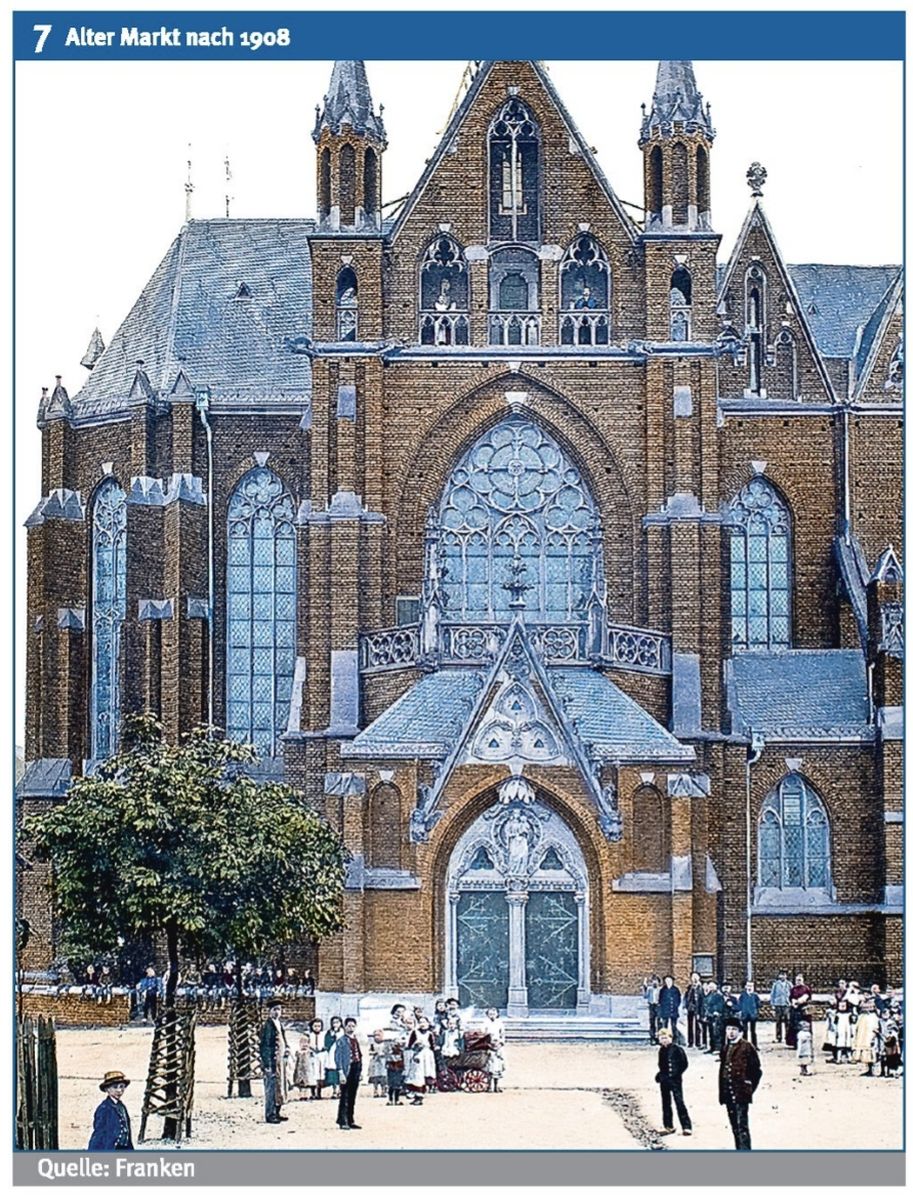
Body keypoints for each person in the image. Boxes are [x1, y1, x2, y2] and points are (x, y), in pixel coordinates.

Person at [719, 1019, 762, 1150]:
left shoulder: (747, 1047)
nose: (730, 1032)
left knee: (742, 1125)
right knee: (734, 1126)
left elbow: (756, 1071)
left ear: (740, 1032)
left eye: (734, 1030)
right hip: (728, 1092)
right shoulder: (726, 1048)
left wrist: (748, 1087)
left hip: (741, 1093)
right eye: (728, 1029)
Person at [655, 1027, 692, 1137]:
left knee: (679, 1102)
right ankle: (668, 1126)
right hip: (665, 1081)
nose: (664, 1040)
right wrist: (660, 1075)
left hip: (675, 1080)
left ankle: (686, 1126)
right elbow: (661, 1065)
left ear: (671, 1038)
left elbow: (684, 1064)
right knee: (666, 1103)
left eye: (666, 1038)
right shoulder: (661, 1051)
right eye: (662, 1038)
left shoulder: (677, 1049)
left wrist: (677, 1073)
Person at [259, 1001, 289, 1123]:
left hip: (280, 1060)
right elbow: (265, 1046)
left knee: (280, 1086)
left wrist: (287, 1048)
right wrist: (267, 1064)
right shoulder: (268, 1026)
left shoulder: (279, 1024)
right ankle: (270, 1114)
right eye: (274, 1009)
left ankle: (277, 1111)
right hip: (272, 1061)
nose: (277, 1012)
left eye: (279, 1010)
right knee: (271, 1088)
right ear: (269, 1011)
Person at [88, 1070, 133, 1150]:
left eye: (122, 1086)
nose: (119, 1090)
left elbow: (127, 1132)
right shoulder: (104, 1108)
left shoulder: (122, 1107)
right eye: (115, 1087)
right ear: (107, 1089)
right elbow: (99, 1133)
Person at [334, 1017, 363, 1130]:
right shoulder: (341, 1041)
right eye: (348, 1026)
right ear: (344, 1027)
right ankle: (343, 1120)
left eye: (353, 1026)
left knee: (352, 1096)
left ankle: (351, 1119)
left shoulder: (355, 1040)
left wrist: (360, 1071)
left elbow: (359, 1056)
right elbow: (338, 1057)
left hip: (355, 1068)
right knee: (345, 1095)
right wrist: (340, 1072)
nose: (351, 1028)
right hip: (346, 1069)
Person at [405, 1015, 436, 1105]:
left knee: (426, 1074)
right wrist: (416, 1047)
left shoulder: (430, 1034)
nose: (422, 1024)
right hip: (417, 1055)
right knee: (417, 1075)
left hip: (427, 1056)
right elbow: (409, 1045)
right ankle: (417, 1095)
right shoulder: (415, 1033)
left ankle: (422, 1092)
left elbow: (433, 1046)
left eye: (424, 1022)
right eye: (420, 1022)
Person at [853, 998, 880, 1077]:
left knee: (871, 1051)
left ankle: (872, 1069)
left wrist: (873, 1036)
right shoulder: (861, 1016)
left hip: (870, 1036)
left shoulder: (873, 1016)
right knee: (864, 1052)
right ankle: (868, 1068)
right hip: (862, 1036)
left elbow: (875, 1027)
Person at [786, 973, 812, 1048]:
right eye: (797, 980)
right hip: (795, 1010)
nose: (798, 981)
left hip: (803, 1010)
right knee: (794, 1026)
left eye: (799, 980)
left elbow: (807, 996)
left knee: (804, 1025)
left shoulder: (806, 988)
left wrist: (800, 1001)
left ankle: (805, 1042)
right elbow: (790, 997)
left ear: (802, 980)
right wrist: (793, 1002)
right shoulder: (793, 989)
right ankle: (794, 1042)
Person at [324, 1015, 344, 1099]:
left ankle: (341, 1090)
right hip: (332, 1052)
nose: (335, 1024)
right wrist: (332, 1036)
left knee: (341, 1070)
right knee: (333, 1071)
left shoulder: (343, 1032)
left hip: (341, 1052)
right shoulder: (330, 1032)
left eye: (337, 1022)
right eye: (334, 1023)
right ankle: (335, 1089)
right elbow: (327, 1042)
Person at [684, 973, 705, 1048]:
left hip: (698, 1008)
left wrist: (701, 1011)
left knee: (698, 1026)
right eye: (693, 977)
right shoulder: (690, 987)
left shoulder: (701, 988)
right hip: (690, 1008)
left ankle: (698, 1042)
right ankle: (690, 1042)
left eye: (696, 977)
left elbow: (703, 1000)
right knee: (690, 1025)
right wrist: (685, 1007)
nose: (694, 979)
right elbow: (686, 998)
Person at [769, 971, 791, 1043]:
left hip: (786, 1005)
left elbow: (792, 993)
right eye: (781, 975)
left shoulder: (789, 984)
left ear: (786, 976)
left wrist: (791, 1003)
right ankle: (778, 1037)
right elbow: (772, 994)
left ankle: (787, 1037)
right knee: (778, 1021)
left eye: (784, 975)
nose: (782, 977)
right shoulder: (776, 984)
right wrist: (772, 1004)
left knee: (787, 1021)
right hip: (778, 1004)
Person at [704, 981, 725, 1055]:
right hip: (710, 1016)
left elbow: (720, 1005)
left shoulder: (719, 995)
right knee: (711, 1033)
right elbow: (706, 1004)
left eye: (712, 986)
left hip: (717, 1016)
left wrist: (716, 1011)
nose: (711, 987)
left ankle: (718, 1048)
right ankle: (712, 1047)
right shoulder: (709, 995)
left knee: (717, 1033)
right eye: (710, 986)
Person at [658, 975, 682, 1040]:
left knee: (674, 1026)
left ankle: (675, 1039)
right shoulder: (663, 990)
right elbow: (660, 1000)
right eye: (667, 981)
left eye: (669, 981)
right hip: (665, 1010)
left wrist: (676, 1005)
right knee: (664, 1026)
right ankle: (664, 1039)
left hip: (673, 1010)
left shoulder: (676, 990)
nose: (668, 982)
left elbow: (678, 999)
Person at [739, 981, 760, 1048]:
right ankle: (744, 1045)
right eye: (748, 986)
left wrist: (755, 1011)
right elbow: (740, 1004)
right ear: (745, 987)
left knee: (753, 1031)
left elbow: (758, 1004)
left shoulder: (755, 995)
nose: (749, 987)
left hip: (753, 1015)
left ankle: (754, 1045)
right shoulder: (742, 995)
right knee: (745, 1030)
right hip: (745, 1015)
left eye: (751, 986)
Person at [386, 1033, 405, 1105]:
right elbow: (388, 1060)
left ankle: (397, 1099)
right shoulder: (390, 1051)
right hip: (391, 1069)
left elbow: (403, 1060)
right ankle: (390, 1100)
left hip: (399, 1069)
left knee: (398, 1085)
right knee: (391, 1085)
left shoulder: (401, 1051)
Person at [368, 1030, 387, 1098]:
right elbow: (370, 1051)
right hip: (375, 1061)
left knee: (383, 1077)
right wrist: (374, 1053)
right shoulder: (372, 1044)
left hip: (383, 1061)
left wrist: (382, 1054)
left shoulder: (385, 1043)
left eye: (378, 1035)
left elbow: (387, 1051)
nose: (377, 1037)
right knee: (375, 1076)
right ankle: (375, 1090)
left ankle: (383, 1090)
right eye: (375, 1035)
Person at [643, 975, 661, 1043]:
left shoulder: (660, 990)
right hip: (651, 1006)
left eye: (656, 981)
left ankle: (659, 1038)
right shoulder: (650, 989)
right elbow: (645, 996)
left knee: (659, 1022)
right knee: (652, 1021)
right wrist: (645, 987)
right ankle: (652, 1037)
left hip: (658, 1006)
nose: (654, 982)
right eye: (653, 981)